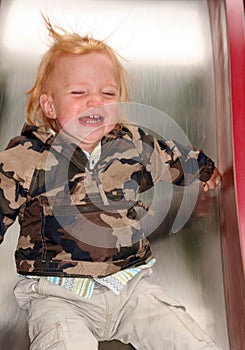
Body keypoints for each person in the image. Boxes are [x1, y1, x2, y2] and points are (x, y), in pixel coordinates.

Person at [0, 16, 222, 350]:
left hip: (130, 288)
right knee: (63, 342)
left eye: (107, 92)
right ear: (49, 104)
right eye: (79, 92)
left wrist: (203, 168)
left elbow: (169, 157)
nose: (95, 101)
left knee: (185, 337)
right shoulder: (27, 157)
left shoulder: (131, 144)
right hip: (58, 296)